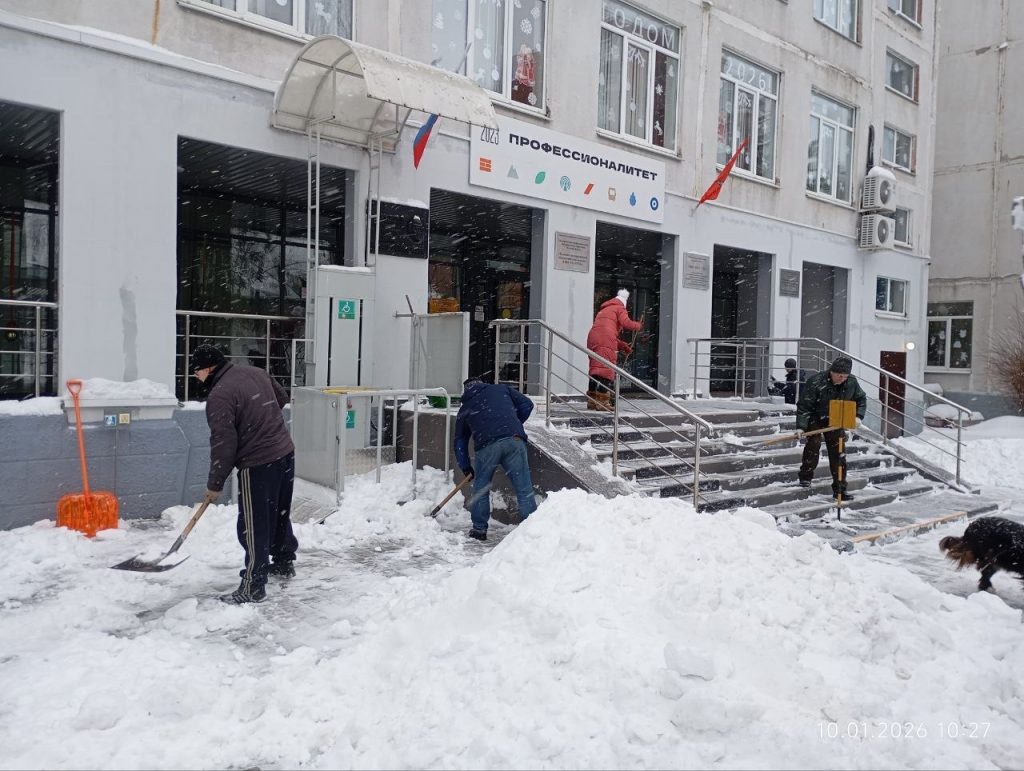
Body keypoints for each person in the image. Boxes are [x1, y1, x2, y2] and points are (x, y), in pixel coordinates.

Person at [191, 344, 298, 604]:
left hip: (258, 463)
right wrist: (261, 419)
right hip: (285, 453)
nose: (196, 376)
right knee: (279, 513)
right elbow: (281, 398)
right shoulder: (255, 373)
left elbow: (223, 444)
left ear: (208, 368)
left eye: (197, 371)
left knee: (253, 525)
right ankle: (284, 562)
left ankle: (253, 586)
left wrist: (215, 484)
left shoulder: (219, 396)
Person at [454, 377, 537, 541]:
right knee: (524, 488)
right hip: (514, 440)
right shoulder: (501, 389)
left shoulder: (465, 408)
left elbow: (460, 441)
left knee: (481, 488)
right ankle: (533, 531)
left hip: (487, 446)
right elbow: (527, 404)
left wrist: (465, 467)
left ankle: (479, 529)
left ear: (466, 390)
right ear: (482, 383)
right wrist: (513, 424)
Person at [796, 355, 866, 500]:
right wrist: (801, 427)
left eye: (845, 376)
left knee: (839, 453)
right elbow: (804, 406)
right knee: (813, 445)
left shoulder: (851, 382)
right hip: (815, 418)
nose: (843, 379)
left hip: (836, 419)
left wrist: (858, 416)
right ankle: (805, 476)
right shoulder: (816, 381)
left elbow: (861, 398)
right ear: (832, 372)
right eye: (840, 376)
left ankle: (840, 489)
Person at [586, 288, 643, 410]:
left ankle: (592, 401)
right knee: (606, 370)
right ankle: (602, 402)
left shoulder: (604, 310)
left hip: (593, 338)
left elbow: (606, 332)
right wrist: (637, 325)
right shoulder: (619, 308)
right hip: (605, 339)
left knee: (596, 370)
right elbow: (626, 323)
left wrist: (623, 346)